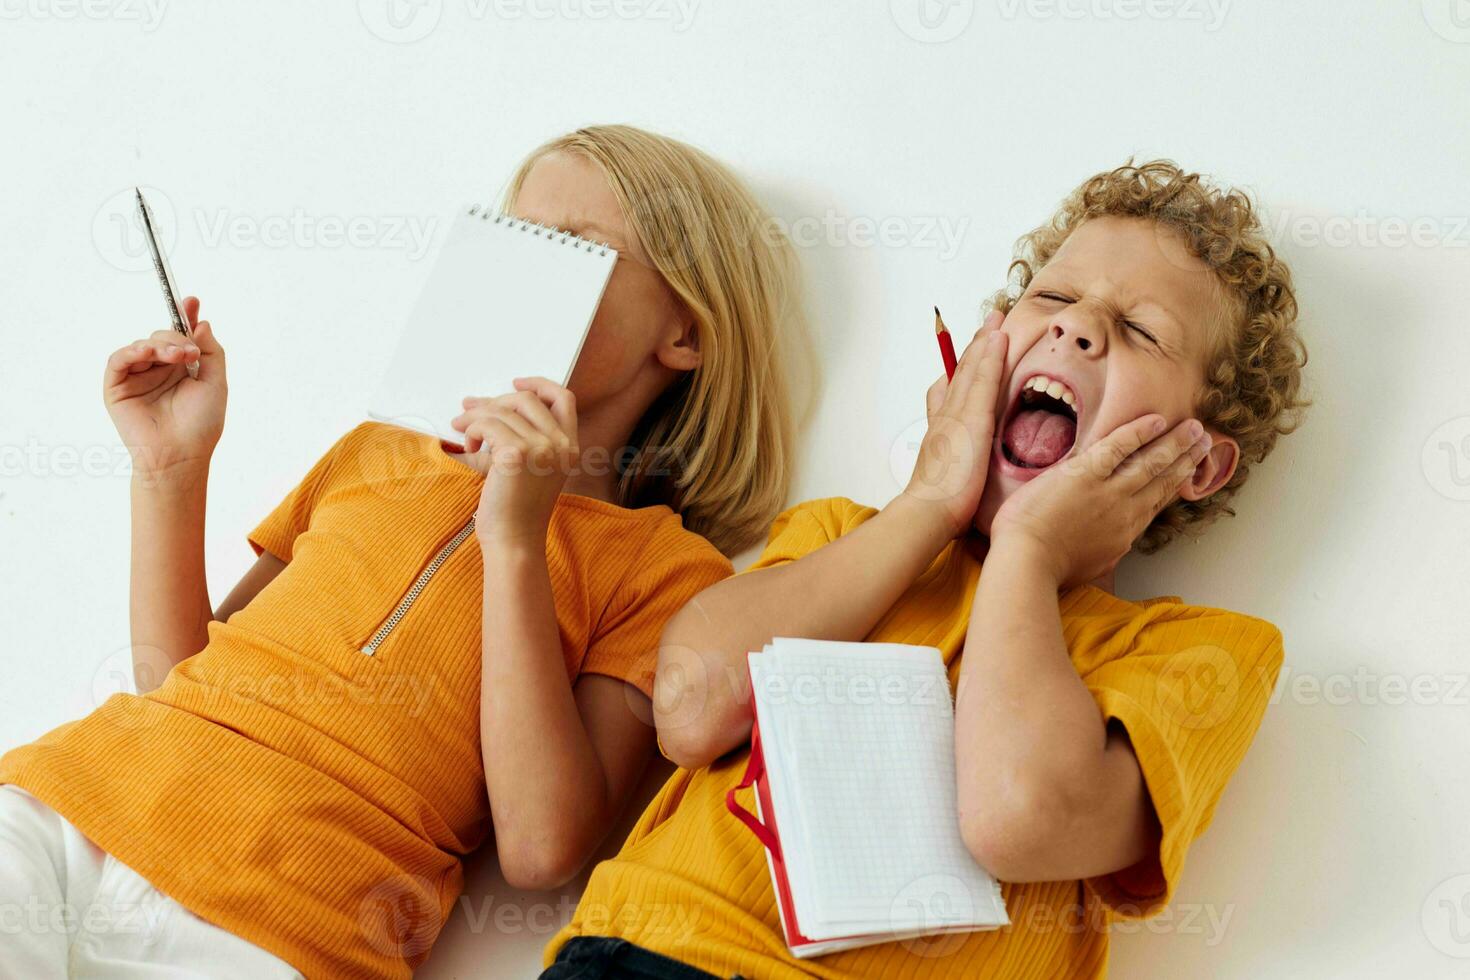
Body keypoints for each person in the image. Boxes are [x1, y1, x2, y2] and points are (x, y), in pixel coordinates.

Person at [0, 124, 806, 979]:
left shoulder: (666, 572)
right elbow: (178, 684)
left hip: (289, 926)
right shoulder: (375, 450)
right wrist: (170, 469)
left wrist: (517, 541)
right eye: (516, 240)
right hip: (71, 807)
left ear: (683, 332)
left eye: (578, 250)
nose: (529, 274)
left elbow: (541, 849)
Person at [541, 159, 1309, 980]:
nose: (1077, 329)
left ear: (1198, 466)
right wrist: (928, 503)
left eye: (1142, 330)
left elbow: (1015, 820)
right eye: (1052, 298)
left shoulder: (1202, 650)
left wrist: (1029, 553)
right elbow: (692, 707)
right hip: (646, 955)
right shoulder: (844, 536)